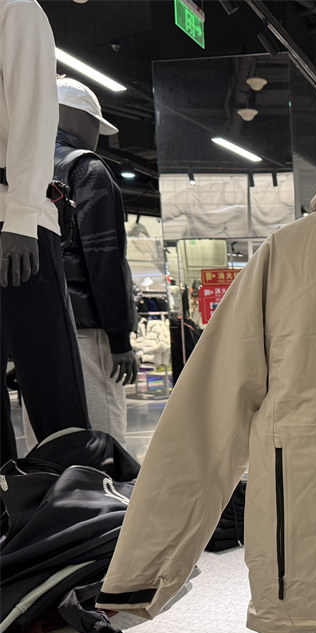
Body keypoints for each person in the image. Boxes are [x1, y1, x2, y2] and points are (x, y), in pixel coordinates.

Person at [0, 0, 90, 464]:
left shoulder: (15, 7)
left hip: (15, 219)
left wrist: (21, 214)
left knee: (50, 382)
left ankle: (81, 492)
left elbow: (34, 110)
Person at [51, 77, 138, 448]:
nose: (96, 137)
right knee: (104, 442)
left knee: (52, 442)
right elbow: (104, 259)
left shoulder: (21, 169)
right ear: (75, 118)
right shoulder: (86, 169)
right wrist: (120, 338)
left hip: (41, 329)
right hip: (89, 331)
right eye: (94, 124)